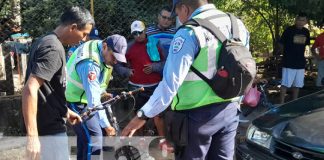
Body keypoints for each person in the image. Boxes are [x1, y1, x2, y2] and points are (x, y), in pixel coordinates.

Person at [122, 0, 250, 159]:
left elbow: (169, 85)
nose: (178, 20)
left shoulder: (189, 32)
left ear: (184, 8)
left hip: (197, 117)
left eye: (178, 14)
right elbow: (243, 69)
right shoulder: (237, 24)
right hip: (230, 110)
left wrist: (142, 115)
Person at [22, 6, 94, 160]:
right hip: (49, 130)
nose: (83, 39)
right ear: (73, 27)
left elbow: (46, 89)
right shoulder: (53, 48)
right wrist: (33, 136)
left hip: (49, 125)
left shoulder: (45, 40)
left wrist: (65, 111)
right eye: (84, 34)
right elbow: (30, 88)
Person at [65, 34, 127, 160]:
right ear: (105, 47)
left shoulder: (100, 49)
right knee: (94, 138)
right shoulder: (90, 64)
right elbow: (94, 102)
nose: (115, 62)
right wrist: (107, 126)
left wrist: (103, 93)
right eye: (114, 57)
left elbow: (97, 87)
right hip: (76, 100)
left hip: (86, 98)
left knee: (85, 139)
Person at [126, 20, 164, 135]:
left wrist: (154, 67)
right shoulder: (129, 47)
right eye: (135, 33)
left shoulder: (155, 43)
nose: (138, 36)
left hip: (155, 85)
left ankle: (162, 139)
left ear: (145, 30)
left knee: (158, 114)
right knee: (137, 113)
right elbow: (121, 64)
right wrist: (126, 71)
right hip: (136, 87)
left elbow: (166, 62)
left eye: (140, 32)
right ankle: (140, 139)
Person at [278, 13, 310, 104]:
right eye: (299, 20)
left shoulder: (306, 32)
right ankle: (281, 104)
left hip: (300, 62)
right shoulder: (289, 30)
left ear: (306, 22)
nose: (300, 22)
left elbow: (305, 45)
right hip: (289, 62)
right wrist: (286, 53)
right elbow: (281, 43)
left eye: (303, 20)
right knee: (285, 84)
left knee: (298, 84)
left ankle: (294, 102)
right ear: (296, 20)